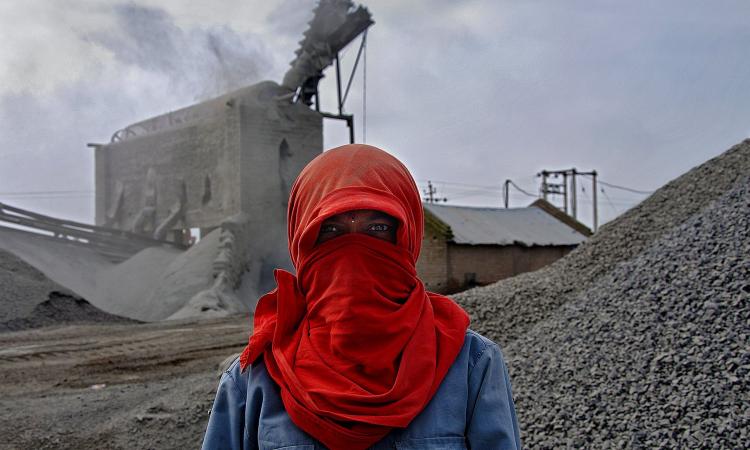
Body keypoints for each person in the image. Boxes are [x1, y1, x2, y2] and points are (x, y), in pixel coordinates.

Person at [202, 144, 522, 450]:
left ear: (408, 238)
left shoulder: (470, 365)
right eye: (331, 230)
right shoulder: (254, 379)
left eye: (378, 228)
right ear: (302, 241)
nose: (354, 251)